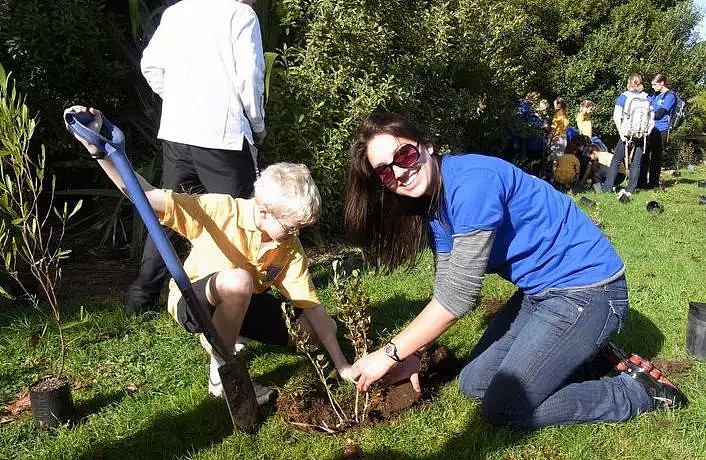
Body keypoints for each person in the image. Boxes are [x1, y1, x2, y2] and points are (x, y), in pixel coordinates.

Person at [344, 112, 687, 429]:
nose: (400, 171)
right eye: (387, 171)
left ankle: (636, 393)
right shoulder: (435, 206)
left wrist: (388, 355)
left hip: (591, 292)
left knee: (503, 408)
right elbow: (449, 287)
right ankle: (585, 353)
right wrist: (412, 354)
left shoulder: (471, 184)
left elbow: (458, 299)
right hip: (540, 296)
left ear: (427, 146)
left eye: (403, 155)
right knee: (473, 383)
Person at [66, 106, 352, 403]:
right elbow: (147, 197)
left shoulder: (289, 248)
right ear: (264, 211)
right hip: (195, 302)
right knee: (238, 281)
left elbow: (311, 305)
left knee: (321, 329)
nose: (297, 235)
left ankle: (229, 334)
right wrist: (101, 152)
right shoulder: (218, 210)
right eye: (292, 227)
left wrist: (342, 365)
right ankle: (222, 372)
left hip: (244, 302)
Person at [126, 0, 267, 315]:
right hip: (223, 133)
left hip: (178, 130)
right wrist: (257, 125)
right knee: (239, 218)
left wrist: (177, 98)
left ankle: (140, 300)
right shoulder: (240, 14)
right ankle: (240, 302)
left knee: (167, 215)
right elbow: (250, 76)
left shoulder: (177, 12)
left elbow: (150, 64)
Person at [600, 74, 654, 200]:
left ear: (629, 82)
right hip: (641, 135)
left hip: (626, 134)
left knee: (616, 161)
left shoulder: (624, 96)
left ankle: (607, 187)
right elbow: (652, 118)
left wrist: (621, 134)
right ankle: (631, 189)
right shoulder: (647, 98)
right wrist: (647, 132)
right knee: (636, 163)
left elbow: (616, 116)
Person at [643, 74, 677, 189]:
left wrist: (646, 114)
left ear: (662, 83)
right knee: (645, 154)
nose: (652, 87)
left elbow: (660, 114)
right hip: (649, 128)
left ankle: (653, 183)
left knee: (656, 157)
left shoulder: (670, 96)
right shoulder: (654, 95)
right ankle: (642, 182)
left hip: (661, 129)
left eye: (654, 84)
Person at [548, 97, 569, 163]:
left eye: (555, 105)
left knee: (555, 161)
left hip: (557, 139)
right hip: (564, 138)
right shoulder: (566, 114)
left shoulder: (557, 115)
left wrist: (549, 139)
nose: (554, 106)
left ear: (559, 105)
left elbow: (553, 129)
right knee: (561, 159)